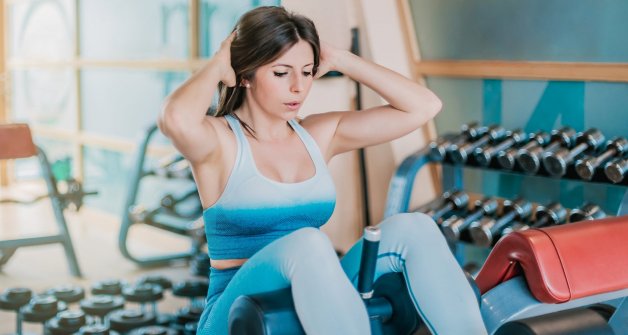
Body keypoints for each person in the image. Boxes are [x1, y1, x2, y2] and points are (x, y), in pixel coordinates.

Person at [159, 6, 486, 335]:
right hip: (235, 312)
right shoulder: (219, 141)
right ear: (246, 75)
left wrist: (343, 59)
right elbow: (175, 119)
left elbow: (424, 106)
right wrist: (219, 63)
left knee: (415, 227)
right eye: (281, 72)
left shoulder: (318, 134)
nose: (298, 87)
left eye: (307, 71)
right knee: (309, 242)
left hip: (316, 294)